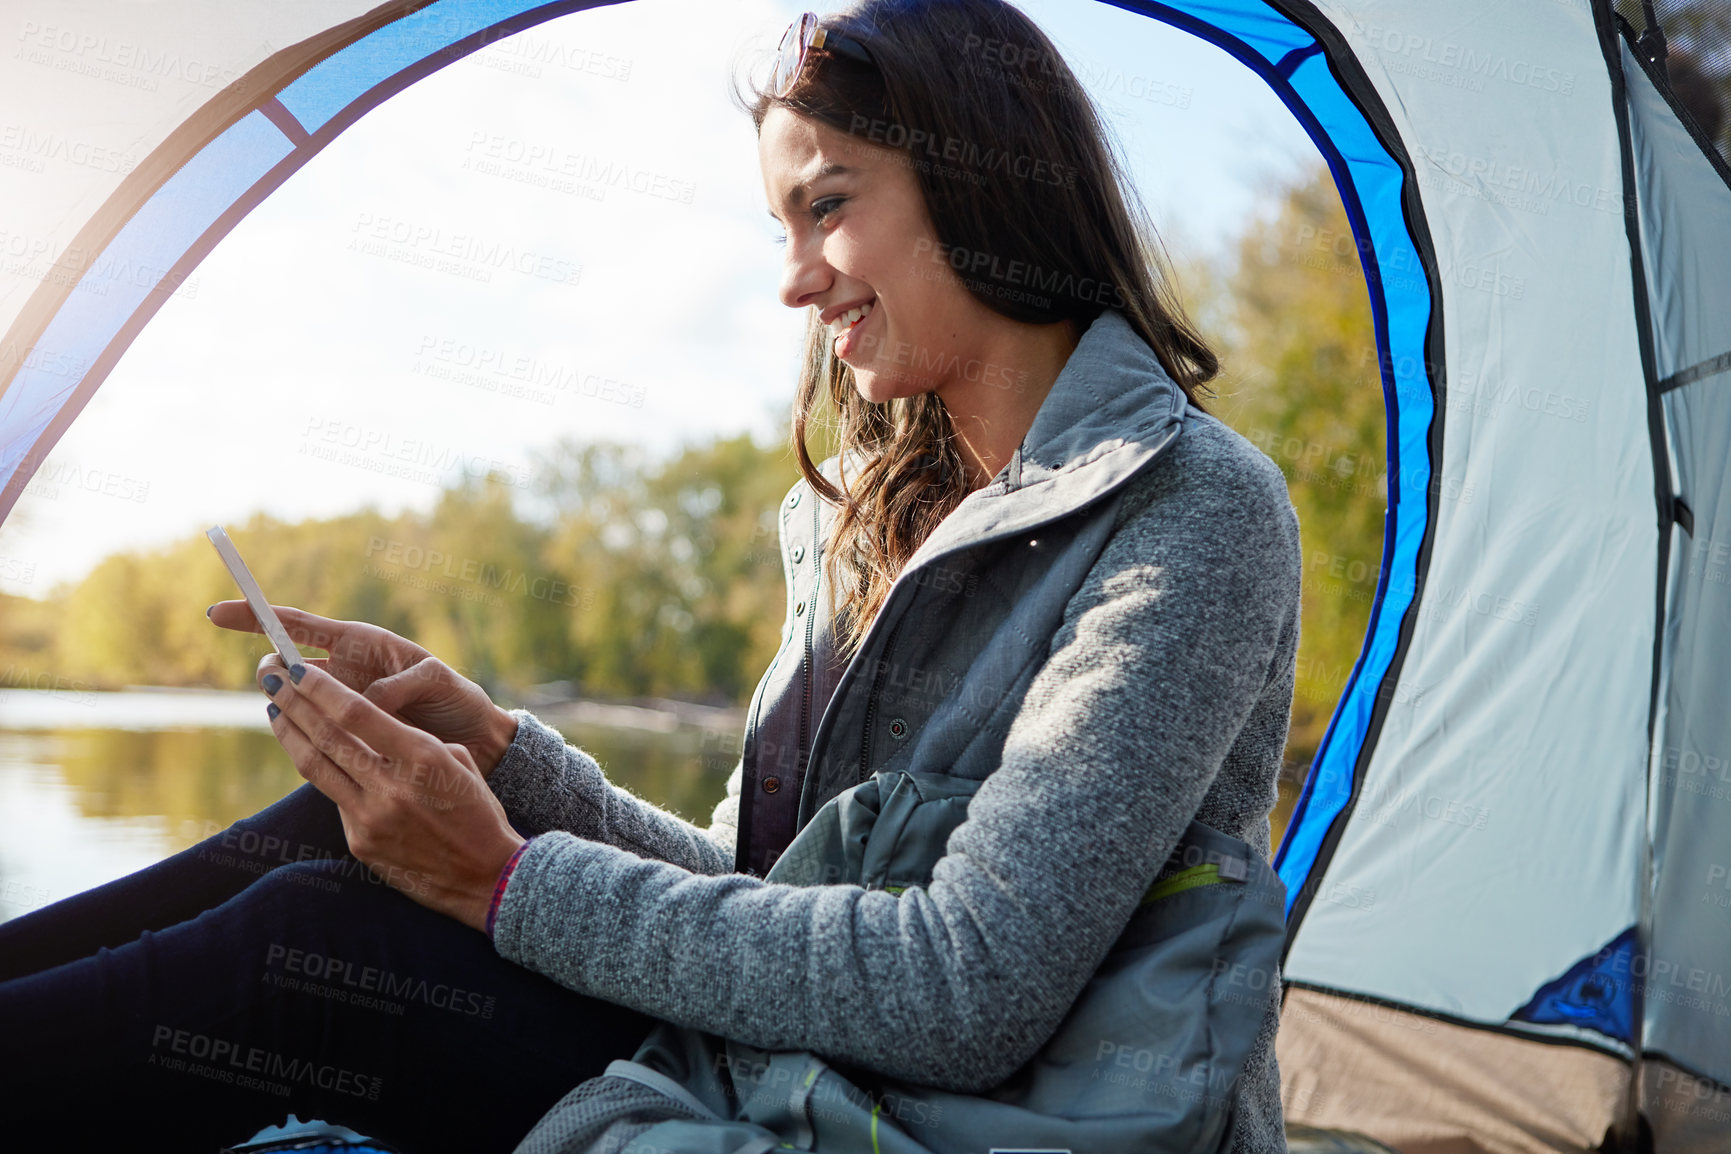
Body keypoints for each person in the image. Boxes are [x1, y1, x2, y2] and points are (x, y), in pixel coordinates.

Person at [0, 1, 1302, 1151]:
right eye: (782, 223)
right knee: (332, 843)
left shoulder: (1192, 512)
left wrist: (499, 877)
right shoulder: (878, 520)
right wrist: (502, 758)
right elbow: (761, 898)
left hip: (932, 1120)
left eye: (829, 206)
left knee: (322, 953)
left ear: (989, 184)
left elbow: (960, 990)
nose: (795, 279)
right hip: (785, 1069)